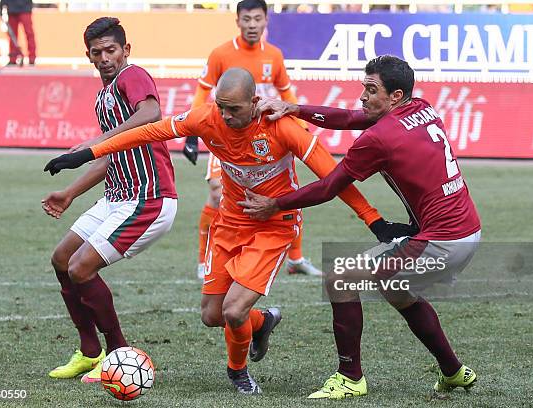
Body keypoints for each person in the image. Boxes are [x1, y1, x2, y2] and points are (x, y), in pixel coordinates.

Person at [43, 67, 414, 394]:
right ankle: (264, 321)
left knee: (234, 311)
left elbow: (334, 177)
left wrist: (375, 221)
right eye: (221, 106)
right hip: (230, 223)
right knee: (212, 315)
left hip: (274, 226)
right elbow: (150, 131)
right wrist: (87, 153)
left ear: (254, 101)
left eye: (234, 108)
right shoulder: (208, 118)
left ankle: (237, 372)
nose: (225, 115)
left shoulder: (283, 127)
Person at [239, 55, 482, 399]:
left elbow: (328, 187)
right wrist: (295, 108)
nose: (362, 96)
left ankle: (350, 377)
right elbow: (354, 118)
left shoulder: (379, 138)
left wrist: (275, 204)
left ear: (395, 96)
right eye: (363, 88)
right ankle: (454, 372)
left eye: (371, 89)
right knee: (397, 290)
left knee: (339, 279)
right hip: (467, 230)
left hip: (442, 241)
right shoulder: (422, 107)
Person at [42, 17, 177, 384]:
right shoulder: (103, 97)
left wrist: (89, 146)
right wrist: (70, 193)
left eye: (111, 50)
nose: (105, 58)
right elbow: (109, 156)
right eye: (97, 52)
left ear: (126, 50)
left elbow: (151, 114)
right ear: (88, 56)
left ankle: (118, 354)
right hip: (117, 197)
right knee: (62, 259)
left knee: (81, 268)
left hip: (148, 198)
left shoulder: (131, 77)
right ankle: (89, 352)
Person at [183, 0, 321, 279]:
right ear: (237, 21)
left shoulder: (274, 55)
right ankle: (204, 258)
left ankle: (295, 259)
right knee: (216, 191)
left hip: (268, 137)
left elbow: (286, 94)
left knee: (284, 193)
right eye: (246, 19)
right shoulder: (221, 54)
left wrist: (300, 123)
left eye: (257, 19)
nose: (252, 25)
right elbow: (202, 92)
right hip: (227, 134)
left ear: (266, 21)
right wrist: (192, 133)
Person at [0, 0, 36, 65]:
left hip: (25, 8)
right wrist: (2, 5)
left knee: (29, 33)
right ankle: (13, 58)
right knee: (12, 35)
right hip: (12, 8)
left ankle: (32, 58)